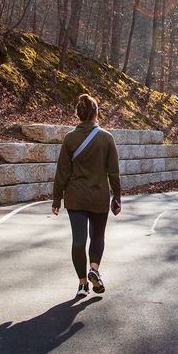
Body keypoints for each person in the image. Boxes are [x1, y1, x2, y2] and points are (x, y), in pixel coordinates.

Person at [51, 94, 121, 298]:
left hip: (75, 198)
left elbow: (62, 172)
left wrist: (56, 199)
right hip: (99, 197)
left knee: (78, 240)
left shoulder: (70, 139)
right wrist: (117, 197)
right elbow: (113, 172)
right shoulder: (107, 138)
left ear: (78, 114)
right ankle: (94, 269)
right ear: (96, 113)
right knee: (97, 236)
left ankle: (82, 284)